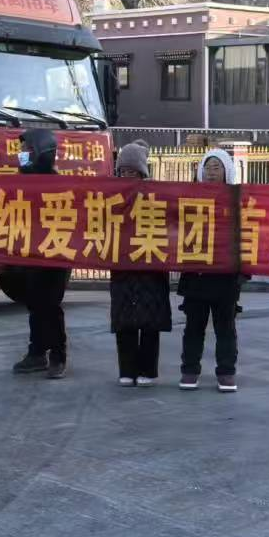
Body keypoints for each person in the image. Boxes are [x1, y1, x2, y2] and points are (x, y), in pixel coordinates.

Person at [179, 147, 243, 393]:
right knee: (193, 328)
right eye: (207, 167)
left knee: (225, 329)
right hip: (196, 275)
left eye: (216, 167)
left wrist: (242, 271)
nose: (211, 172)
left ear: (227, 171)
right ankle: (189, 371)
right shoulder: (190, 198)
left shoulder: (237, 199)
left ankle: (226, 372)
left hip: (225, 278)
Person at [109, 141, 171, 386]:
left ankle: (148, 371)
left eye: (132, 171)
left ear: (142, 172)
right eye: (123, 171)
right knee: (124, 321)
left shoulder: (158, 195)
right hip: (123, 267)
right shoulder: (111, 196)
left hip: (150, 266)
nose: (127, 175)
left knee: (150, 322)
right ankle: (126, 371)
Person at [11, 127, 71, 380]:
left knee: (50, 305)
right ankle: (36, 353)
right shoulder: (20, 182)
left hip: (55, 252)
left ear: (40, 152)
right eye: (22, 149)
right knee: (34, 303)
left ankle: (58, 355)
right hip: (29, 252)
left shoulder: (58, 185)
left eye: (26, 149)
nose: (22, 153)